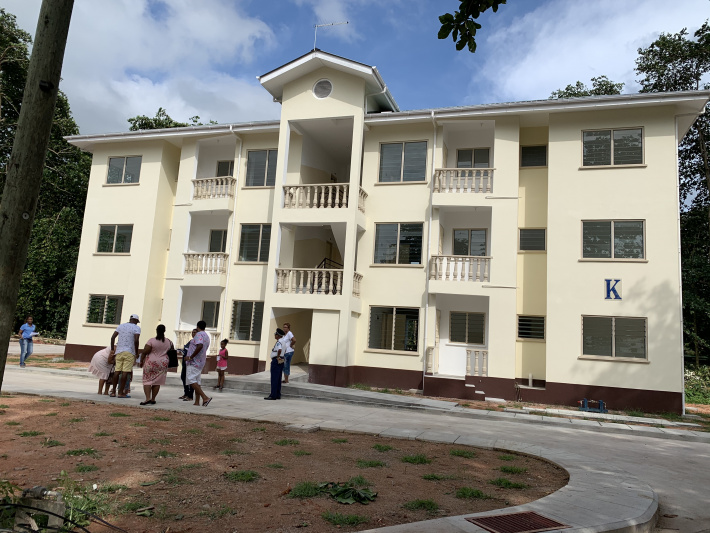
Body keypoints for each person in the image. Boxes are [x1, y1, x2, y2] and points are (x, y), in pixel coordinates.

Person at [139, 324, 172, 406]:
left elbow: (145, 351)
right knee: (157, 381)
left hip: (151, 362)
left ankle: (147, 398)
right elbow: (171, 351)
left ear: (156, 330)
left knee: (147, 380)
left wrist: (141, 360)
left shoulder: (151, 341)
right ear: (164, 331)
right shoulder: (169, 342)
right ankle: (153, 399)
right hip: (163, 363)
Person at [110, 314, 141, 398]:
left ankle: (113, 391)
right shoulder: (136, 328)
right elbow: (136, 340)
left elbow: (112, 338)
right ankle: (121, 392)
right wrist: (136, 352)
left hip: (119, 351)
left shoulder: (121, 326)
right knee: (125, 372)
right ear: (136, 321)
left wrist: (113, 349)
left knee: (117, 371)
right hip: (129, 352)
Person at [184, 320, 212, 406]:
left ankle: (205, 397)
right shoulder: (206, 336)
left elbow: (200, 345)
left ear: (197, 326)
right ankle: (197, 402)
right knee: (197, 381)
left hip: (194, 361)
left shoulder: (199, 334)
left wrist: (190, 357)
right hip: (201, 361)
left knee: (190, 379)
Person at [264, 328, 285, 400]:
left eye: (275, 334)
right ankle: (277, 394)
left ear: (278, 335)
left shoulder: (279, 342)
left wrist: (278, 356)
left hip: (276, 360)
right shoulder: (284, 342)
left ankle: (273, 395)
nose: (274, 336)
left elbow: (279, 350)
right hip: (281, 360)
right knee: (278, 378)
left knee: (274, 378)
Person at [179, 329, 197, 401]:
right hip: (185, 361)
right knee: (183, 377)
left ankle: (190, 395)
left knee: (191, 379)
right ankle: (186, 393)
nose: (193, 334)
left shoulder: (197, 342)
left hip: (191, 362)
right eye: (192, 332)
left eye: (195, 332)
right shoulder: (190, 341)